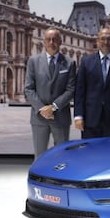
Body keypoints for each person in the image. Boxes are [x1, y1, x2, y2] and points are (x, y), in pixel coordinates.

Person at [24, 27, 76, 160]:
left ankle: (61, 180)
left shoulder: (70, 63)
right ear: (44, 42)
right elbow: (29, 88)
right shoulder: (33, 61)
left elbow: (71, 89)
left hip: (60, 116)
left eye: (55, 39)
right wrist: (42, 109)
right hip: (39, 117)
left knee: (62, 156)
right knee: (40, 156)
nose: (51, 42)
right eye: (48, 39)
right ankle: (40, 180)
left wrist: (53, 107)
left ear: (60, 41)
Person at [74, 27, 110, 138]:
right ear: (97, 41)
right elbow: (79, 91)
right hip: (90, 120)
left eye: (109, 39)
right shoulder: (86, 61)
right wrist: (78, 116)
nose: (106, 42)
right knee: (90, 154)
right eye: (103, 39)